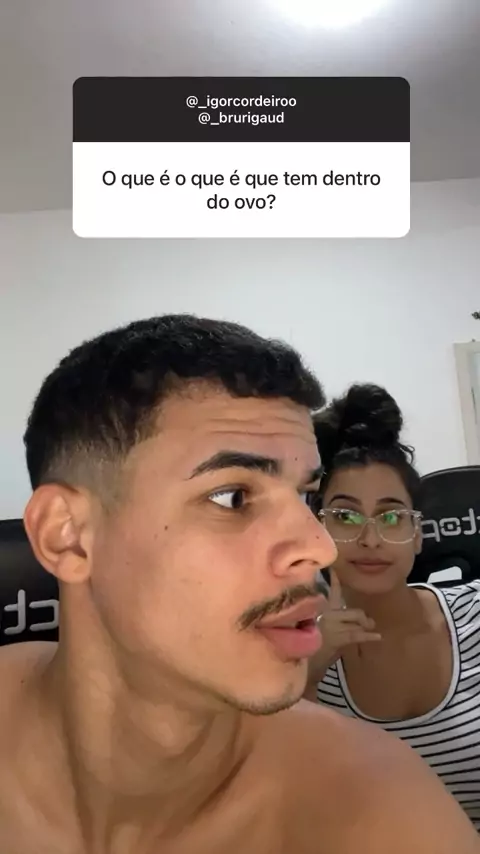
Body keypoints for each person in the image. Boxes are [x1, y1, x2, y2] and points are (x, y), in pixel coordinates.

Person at [0, 316, 478, 854]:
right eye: (233, 498)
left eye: (305, 496)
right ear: (67, 537)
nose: (320, 547)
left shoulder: (378, 810)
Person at [305, 382, 480, 832]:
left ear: (418, 534)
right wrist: (308, 675)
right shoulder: (298, 654)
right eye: (346, 516)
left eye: (391, 516)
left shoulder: (475, 616)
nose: (370, 539)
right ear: (316, 530)